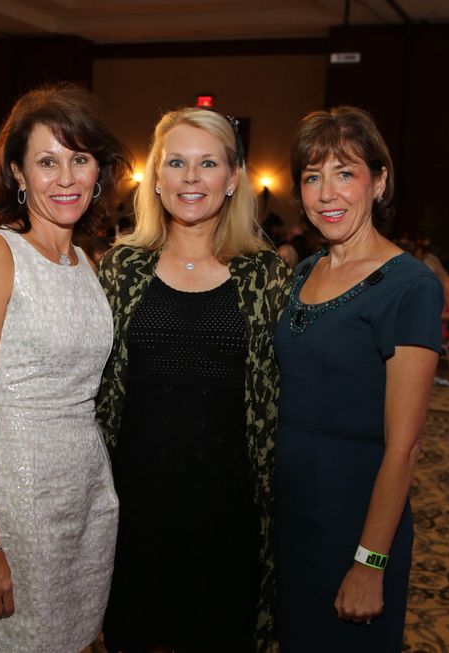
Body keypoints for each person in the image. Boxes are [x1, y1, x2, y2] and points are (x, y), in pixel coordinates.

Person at [0, 82, 131, 652]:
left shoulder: (85, 263)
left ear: (99, 170)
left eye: (80, 159)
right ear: (19, 174)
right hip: (13, 503)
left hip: (85, 497)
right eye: (47, 162)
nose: (66, 178)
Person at [97, 107, 290, 652]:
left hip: (228, 512)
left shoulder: (264, 274)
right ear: (156, 178)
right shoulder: (122, 268)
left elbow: (282, 395)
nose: (190, 177)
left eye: (207, 163)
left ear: (232, 180)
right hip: (134, 510)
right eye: (176, 162)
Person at [274, 106, 442, 651]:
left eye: (345, 172)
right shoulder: (304, 272)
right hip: (289, 517)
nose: (327, 193)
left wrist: (370, 562)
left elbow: (406, 445)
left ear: (379, 180)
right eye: (312, 176)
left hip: (356, 518)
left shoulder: (410, 286)